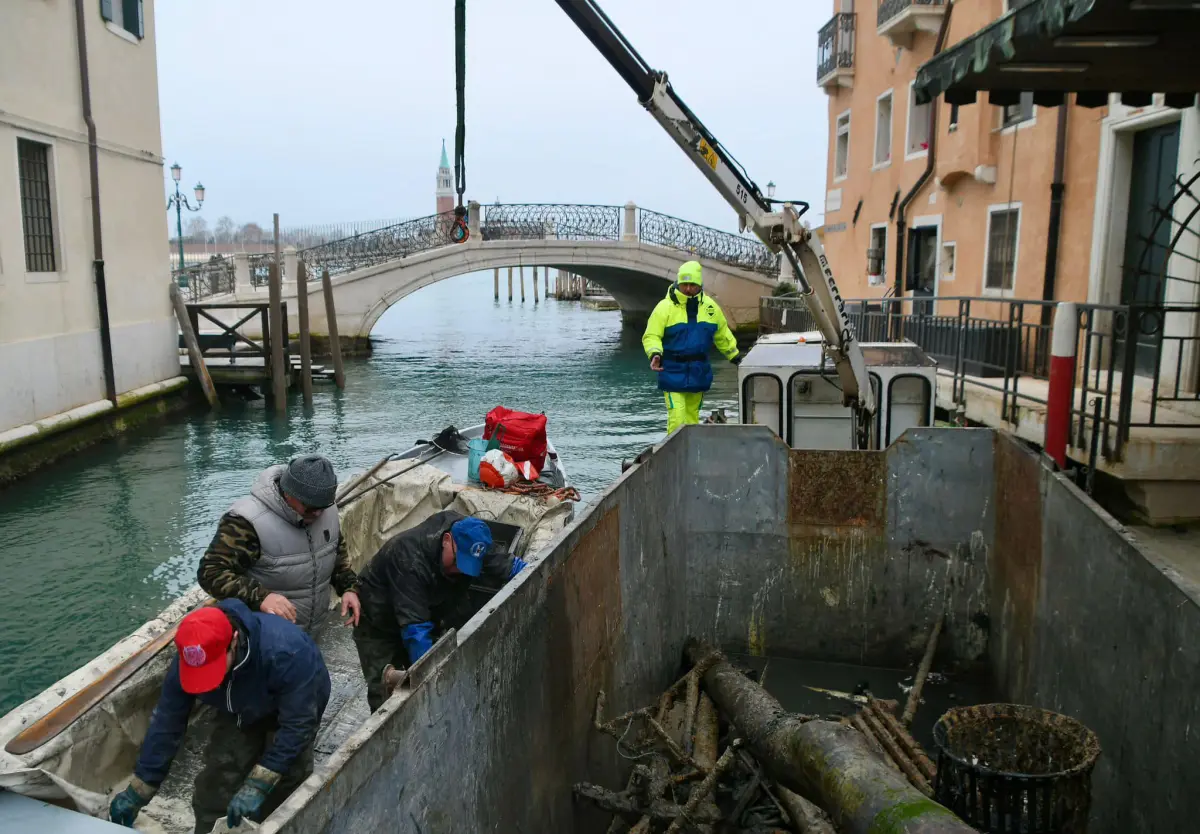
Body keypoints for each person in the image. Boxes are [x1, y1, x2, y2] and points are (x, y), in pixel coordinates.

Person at [108, 599, 331, 833]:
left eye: (210, 670)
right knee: (216, 785)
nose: (201, 678)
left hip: (300, 703)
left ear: (233, 641)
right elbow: (167, 721)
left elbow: (299, 725)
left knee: (285, 784)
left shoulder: (288, 653)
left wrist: (260, 783)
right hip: (238, 705)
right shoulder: (191, 657)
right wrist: (140, 788)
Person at [352, 511, 527, 712]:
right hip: (378, 618)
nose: (459, 571)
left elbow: (512, 566)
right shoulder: (407, 557)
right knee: (386, 689)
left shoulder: (472, 538)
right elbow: (416, 631)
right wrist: (431, 676)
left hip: (429, 603)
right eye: (457, 563)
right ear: (446, 540)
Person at [197, 454, 361, 634]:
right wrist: (260, 597)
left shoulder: (326, 511)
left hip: (311, 633)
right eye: (310, 507)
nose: (317, 514)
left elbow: (336, 557)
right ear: (288, 492)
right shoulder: (246, 523)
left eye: (324, 506)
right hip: (265, 637)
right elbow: (210, 573)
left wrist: (349, 587)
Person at [642, 260, 742, 433]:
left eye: (692, 284)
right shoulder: (664, 308)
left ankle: (688, 452)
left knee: (691, 417)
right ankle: (674, 453)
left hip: (698, 371)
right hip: (672, 370)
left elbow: (722, 335)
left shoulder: (711, 308)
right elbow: (652, 335)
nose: (688, 289)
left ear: (700, 284)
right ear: (678, 283)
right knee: (677, 416)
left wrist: (735, 356)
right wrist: (655, 354)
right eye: (684, 284)